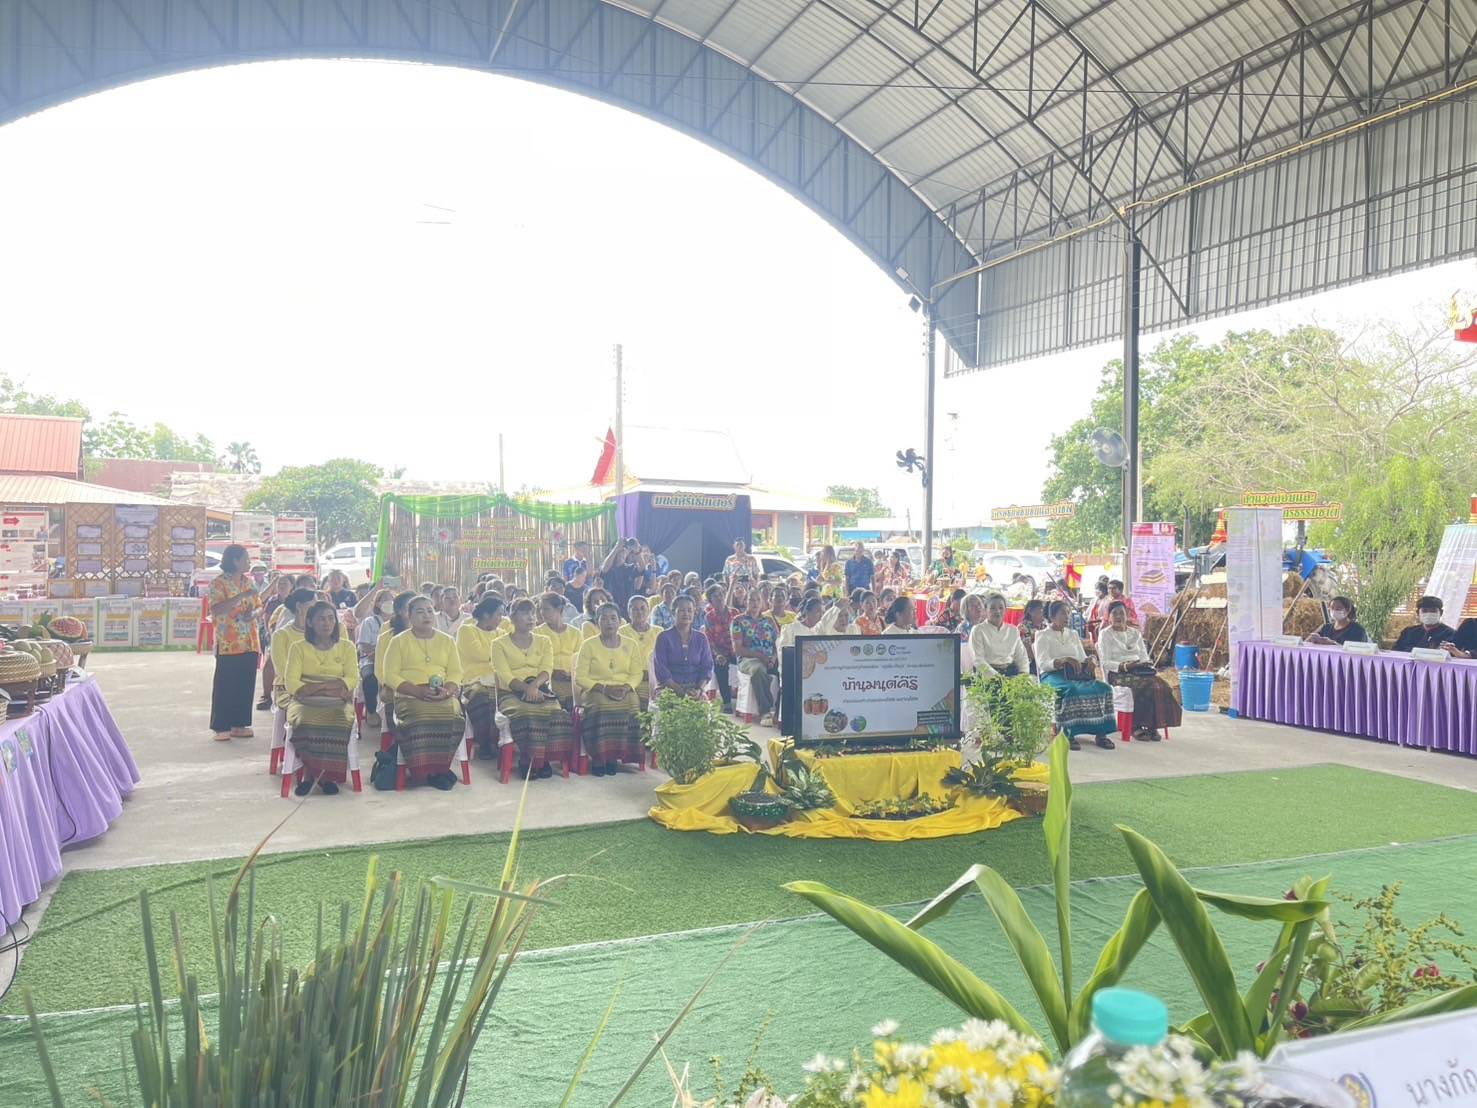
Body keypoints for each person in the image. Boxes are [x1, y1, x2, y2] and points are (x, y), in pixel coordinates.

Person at [382, 595, 465, 790]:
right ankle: (422, 770)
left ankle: (440, 768)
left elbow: (456, 672)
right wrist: (417, 692)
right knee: (419, 717)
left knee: (454, 716)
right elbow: (390, 675)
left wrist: (447, 692)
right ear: (409, 617)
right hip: (409, 694)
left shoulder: (446, 641)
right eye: (420, 612)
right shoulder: (398, 641)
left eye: (429, 610)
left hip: (442, 693)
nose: (426, 615)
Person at [491, 597, 575, 778]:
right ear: (512, 618)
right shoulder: (498, 644)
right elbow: (505, 675)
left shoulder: (544, 641)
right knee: (525, 714)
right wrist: (526, 689)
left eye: (531, 613)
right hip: (511, 693)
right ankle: (527, 761)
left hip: (540, 690)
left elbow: (546, 669)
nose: (530, 617)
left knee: (559, 714)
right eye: (524, 613)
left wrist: (535, 687)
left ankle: (543, 759)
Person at [284, 601, 359, 796]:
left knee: (339, 719)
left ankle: (328, 776)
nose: (327, 623)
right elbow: (291, 683)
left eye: (330, 618)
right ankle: (310, 775)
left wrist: (318, 688)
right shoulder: (298, 647)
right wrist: (328, 687)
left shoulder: (347, 647)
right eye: (321, 619)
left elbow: (352, 678)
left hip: (336, 701)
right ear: (309, 622)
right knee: (306, 721)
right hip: (304, 701)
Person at [1034, 600, 1116, 750]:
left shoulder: (1072, 634)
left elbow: (1082, 656)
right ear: (1052, 616)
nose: (1067, 616)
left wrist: (1091, 660)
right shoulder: (1042, 635)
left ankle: (1101, 733)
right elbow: (1043, 664)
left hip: (1076, 674)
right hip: (1053, 675)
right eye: (1063, 613)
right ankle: (1067, 733)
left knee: (1104, 689)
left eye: (1068, 613)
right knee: (1071, 691)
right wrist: (1063, 660)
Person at [575, 602, 646, 775]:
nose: (609, 622)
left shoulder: (631, 644)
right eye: (604, 618)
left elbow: (637, 673)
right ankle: (599, 757)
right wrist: (604, 689)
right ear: (597, 622)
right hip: (596, 690)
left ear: (620, 621)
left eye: (613, 618)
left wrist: (627, 687)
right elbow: (580, 677)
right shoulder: (589, 645)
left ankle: (617, 755)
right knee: (602, 706)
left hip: (624, 689)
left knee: (633, 704)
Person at [1098, 600, 1180, 740]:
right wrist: (1124, 666)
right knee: (1144, 686)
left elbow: (1143, 655)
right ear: (1108, 617)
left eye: (1121, 613)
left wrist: (1145, 663)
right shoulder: (1105, 634)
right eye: (1114, 613)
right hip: (1118, 673)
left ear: (1127, 615)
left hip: (1138, 670)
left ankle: (1152, 726)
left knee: (1161, 685)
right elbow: (1105, 662)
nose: (1118, 617)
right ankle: (1135, 726)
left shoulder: (1135, 633)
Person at [209, 544, 264, 740]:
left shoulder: (249, 583)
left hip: (250, 641)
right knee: (226, 684)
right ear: (235, 560)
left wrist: (254, 614)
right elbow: (216, 610)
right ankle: (221, 726)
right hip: (229, 643)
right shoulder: (218, 583)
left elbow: (259, 606)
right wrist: (240, 596)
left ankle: (239, 724)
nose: (249, 562)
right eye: (246, 558)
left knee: (245, 684)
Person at [457, 596, 506, 759]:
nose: (501, 618)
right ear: (486, 614)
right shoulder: (467, 630)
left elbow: (507, 657)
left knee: (510, 696)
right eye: (498, 614)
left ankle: (504, 741)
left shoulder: (502, 633)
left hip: (498, 680)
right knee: (481, 696)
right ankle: (485, 743)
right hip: (473, 680)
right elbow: (479, 654)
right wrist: (498, 655)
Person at [732, 588, 780, 724]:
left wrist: (774, 658)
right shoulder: (738, 621)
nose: (755, 603)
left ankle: (782, 712)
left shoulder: (769, 621)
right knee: (758, 670)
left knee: (788, 671)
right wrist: (760, 656)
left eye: (758, 600)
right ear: (746, 602)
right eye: (751, 600)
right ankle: (765, 710)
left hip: (770, 659)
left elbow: (778, 643)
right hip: (748, 659)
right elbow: (738, 649)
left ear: (762, 602)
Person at [653, 595, 715, 699]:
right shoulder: (663, 637)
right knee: (665, 702)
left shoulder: (701, 638)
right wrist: (679, 691)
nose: (686, 613)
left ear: (694, 613)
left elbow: (707, 667)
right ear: (673, 612)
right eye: (682, 610)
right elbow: (661, 669)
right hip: (668, 688)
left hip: (694, 688)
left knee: (703, 703)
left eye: (690, 610)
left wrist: (699, 689)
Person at [536, 591, 581, 709]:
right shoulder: (537, 633)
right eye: (541, 609)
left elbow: (580, 660)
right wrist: (552, 672)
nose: (542, 612)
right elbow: (535, 660)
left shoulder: (575, 633)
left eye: (546, 609)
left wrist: (570, 674)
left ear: (559, 609)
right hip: (548, 680)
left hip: (572, 680)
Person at [356, 587, 393, 729]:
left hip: (391, 660)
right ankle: (371, 711)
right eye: (385, 599)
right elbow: (364, 644)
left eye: (391, 599)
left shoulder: (397, 622)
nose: (389, 602)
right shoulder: (369, 622)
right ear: (377, 603)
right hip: (370, 659)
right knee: (370, 677)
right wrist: (378, 655)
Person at [969, 594, 1030, 677]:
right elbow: (978, 660)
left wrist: (1023, 674)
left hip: (1011, 673)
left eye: (1001, 608)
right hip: (987, 675)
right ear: (985, 610)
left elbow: (1021, 656)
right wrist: (998, 678)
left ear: (1006, 610)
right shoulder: (978, 630)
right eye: (992, 608)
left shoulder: (1013, 630)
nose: (997, 611)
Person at [621, 595, 660, 709]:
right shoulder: (621, 632)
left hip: (655, 678)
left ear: (648, 611)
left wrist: (652, 674)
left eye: (643, 608)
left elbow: (663, 660)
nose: (639, 612)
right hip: (630, 678)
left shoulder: (659, 632)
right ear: (629, 613)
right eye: (635, 609)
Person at [703, 582, 737, 712]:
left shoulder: (734, 613)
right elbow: (709, 640)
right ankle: (727, 702)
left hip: (735, 649)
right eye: (716, 596)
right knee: (721, 666)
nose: (720, 597)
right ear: (710, 600)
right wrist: (718, 654)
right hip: (718, 650)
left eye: (722, 594)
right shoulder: (709, 617)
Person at [1392, 596, 1458, 652]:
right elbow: (1395, 651)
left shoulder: (1450, 634)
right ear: (1418, 613)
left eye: (1433, 611)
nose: (1429, 613)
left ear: (1441, 613)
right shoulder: (1408, 631)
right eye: (1424, 611)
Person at [599, 540, 640, 614]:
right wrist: (617, 547)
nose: (622, 552)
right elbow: (604, 568)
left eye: (624, 550)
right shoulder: (609, 569)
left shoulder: (630, 568)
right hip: (611, 608)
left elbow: (642, 568)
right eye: (620, 551)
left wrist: (637, 551)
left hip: (628, 608)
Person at [563, 539, 591, 610]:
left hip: (584, 592)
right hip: (571, 592)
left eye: (586, 549)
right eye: (583, 549)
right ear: (576, 549)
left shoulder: (586, 562)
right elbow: (565, 577)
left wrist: (587, 557)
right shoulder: (568, 562)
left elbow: (590, 574)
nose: (585, 551)